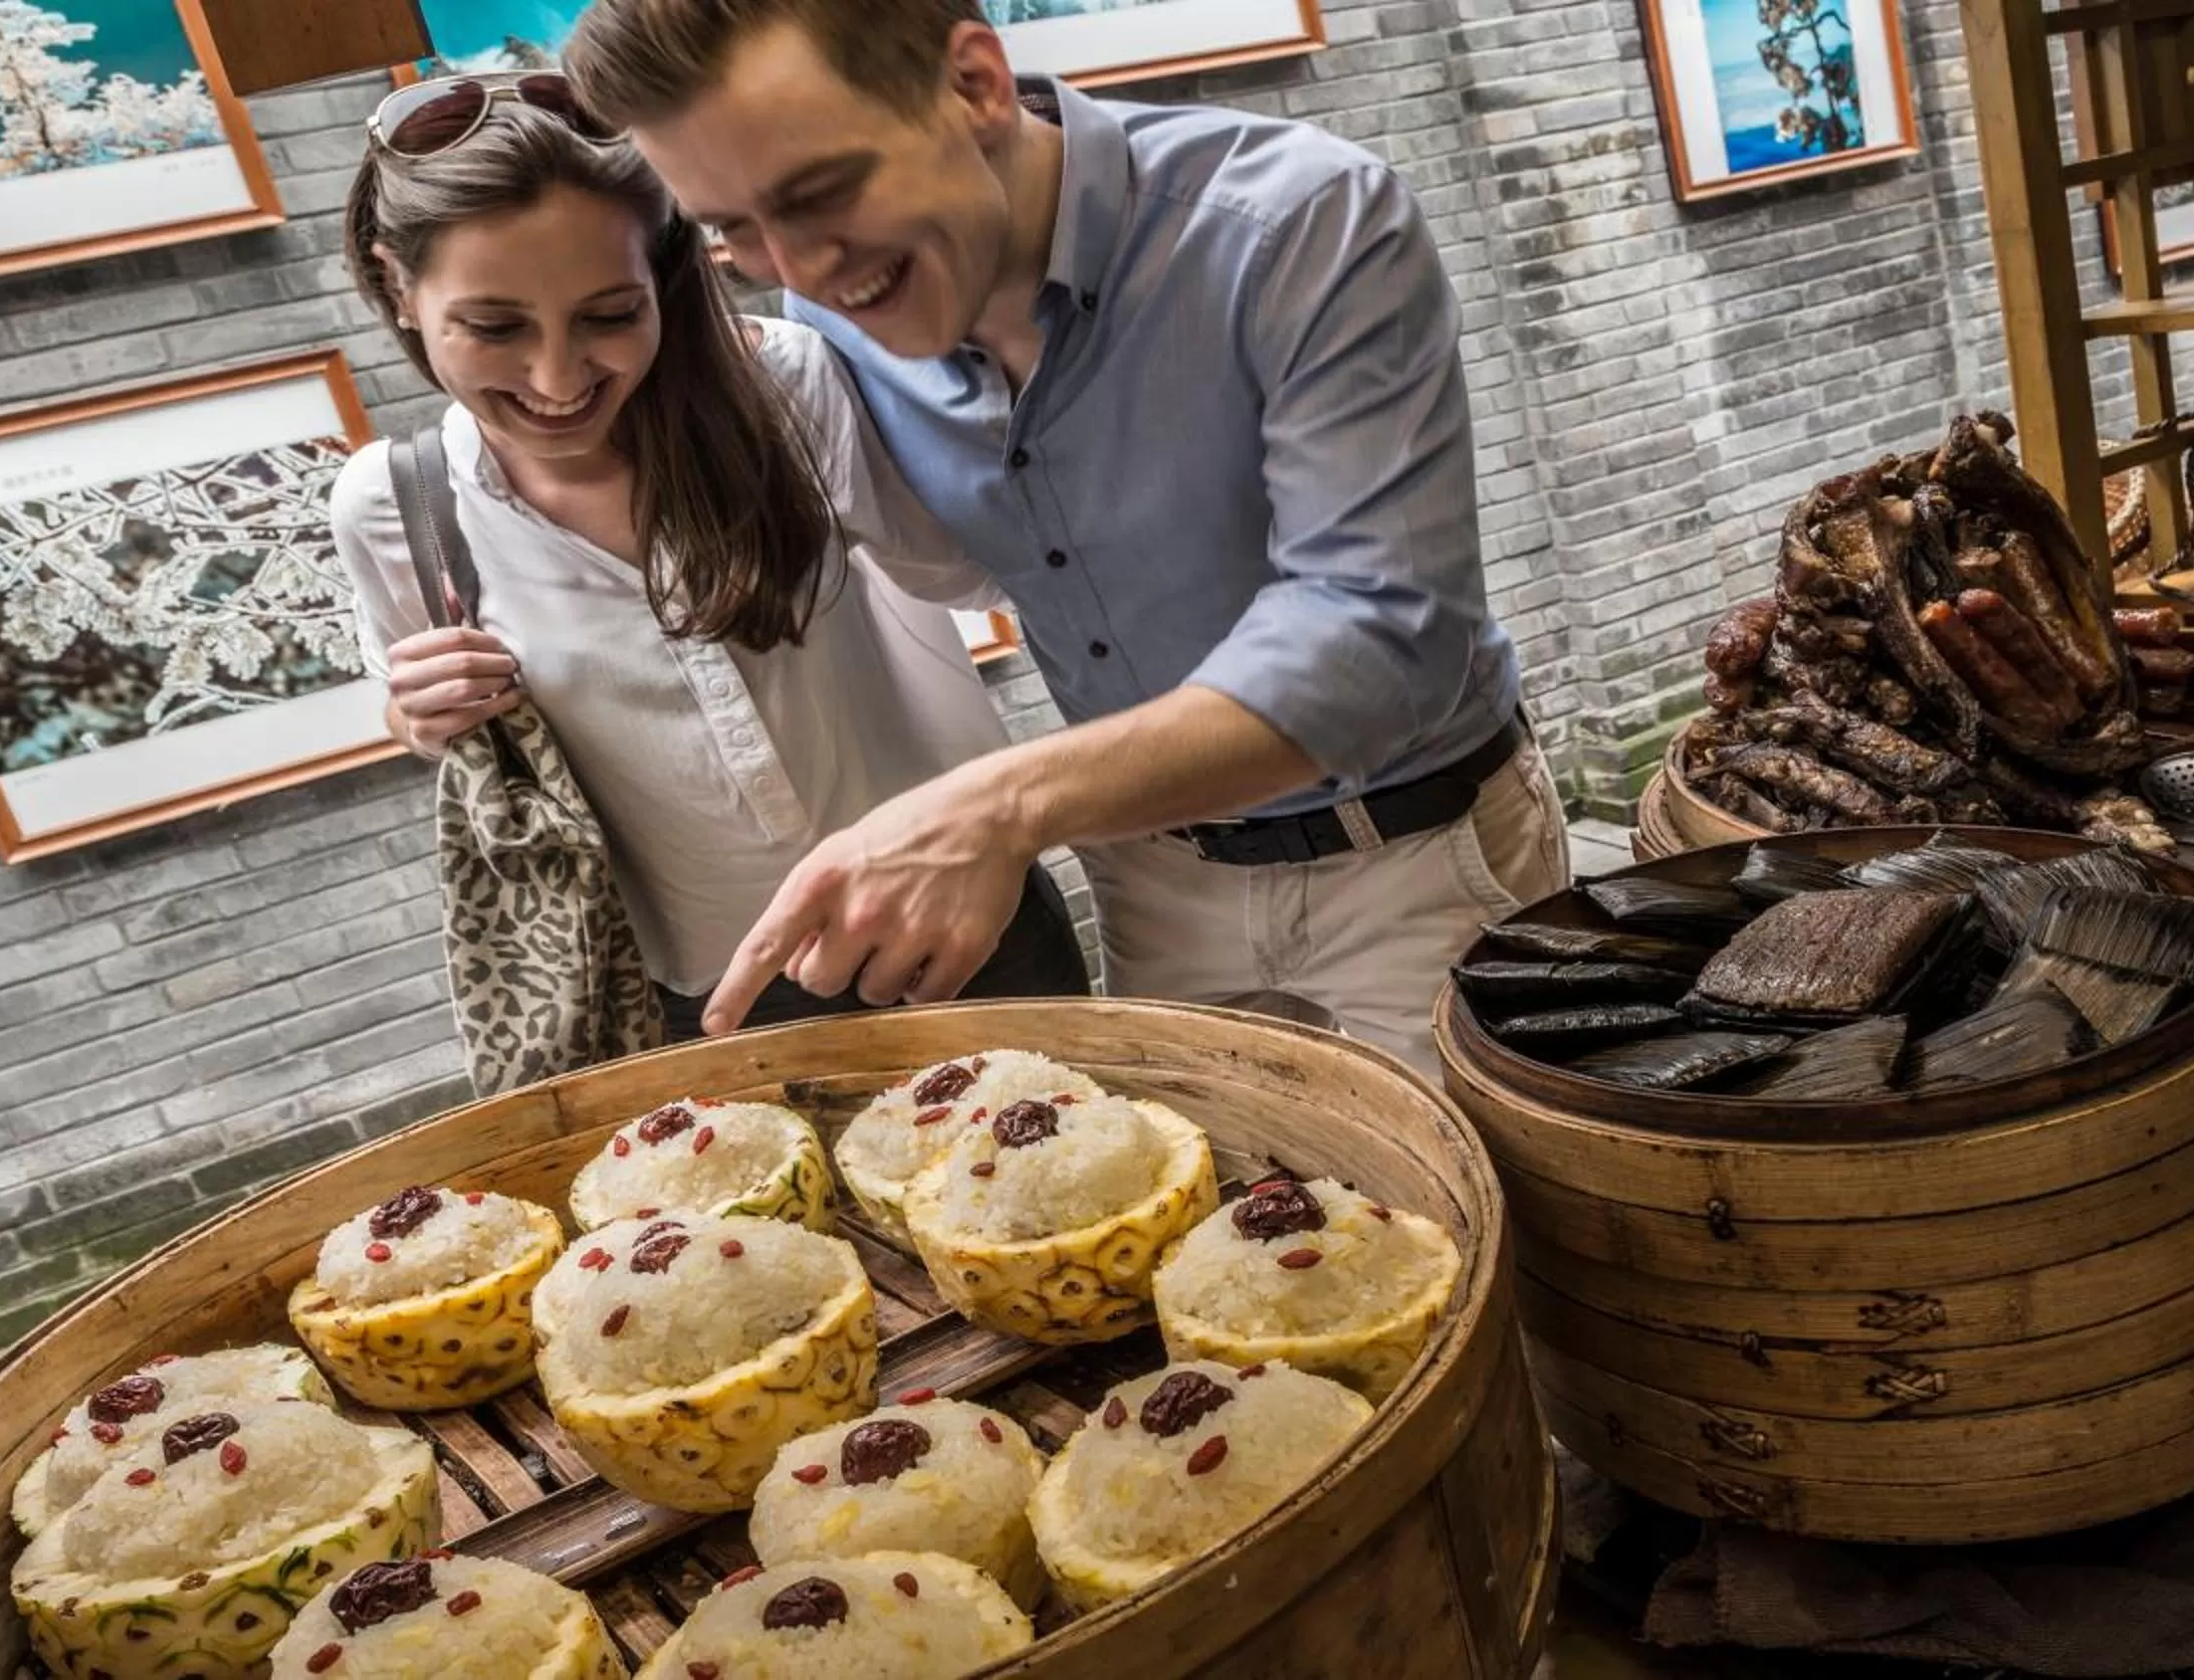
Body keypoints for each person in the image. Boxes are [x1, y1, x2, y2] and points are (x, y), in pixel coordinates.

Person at [563, 0, 1567, 1073]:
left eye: (820, 193)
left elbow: (1382, 638)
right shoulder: (831, 317)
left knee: (1492, 1225)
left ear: (976, 85)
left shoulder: (1298, 222)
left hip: (1417, 859)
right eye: (736, 232)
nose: (800, 268)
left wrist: (1001, 805)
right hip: (1151, 879)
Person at [330, 72, 1091, 1040]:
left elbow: (985, 569)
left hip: (958, 929)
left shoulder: (785, 387)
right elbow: (437, 725)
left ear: (664, 272)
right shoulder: (394, 506)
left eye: (610, 313)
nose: (559, 378)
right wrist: (420, 709)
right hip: (706, 996)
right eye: (495, 327)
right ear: (397, 283)